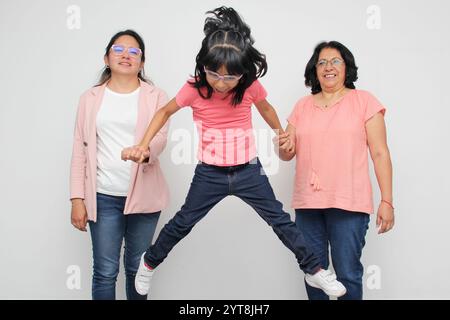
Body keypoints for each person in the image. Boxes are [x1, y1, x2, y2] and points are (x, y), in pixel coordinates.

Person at [122, 7, 346, 298]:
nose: (221, 83)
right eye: (215, 74)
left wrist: (281, 133)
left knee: (280, 221)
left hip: (248, 171)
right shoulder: (194, 88)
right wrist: (143, 144)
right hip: (210, 173)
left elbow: (266, 108)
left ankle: (315, 271)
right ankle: (148, 263)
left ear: (242, 73)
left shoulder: (249, 85)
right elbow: (164, 112)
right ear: (204, 65)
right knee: (183, 222)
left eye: (231, 78)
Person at [274, 41, 395, 299]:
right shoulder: (302, 106)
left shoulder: (364, 101)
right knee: (314, 275)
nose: (328, 67)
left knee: (347, 273)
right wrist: (282, 146)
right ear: (314, 70)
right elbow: (287, 154)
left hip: (349, 204)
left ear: (346, 67)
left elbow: (380, 152)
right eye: (322, 62)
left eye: (335, 61)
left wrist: (387, 200)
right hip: (308, 205)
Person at [69, 29, 170, 300]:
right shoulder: (89, 99)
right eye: (118, 49)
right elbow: (79, 149)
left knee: (138, 269)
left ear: (142, 62)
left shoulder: (156, 97)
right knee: (104, 270)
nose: (126, 55)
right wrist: (77, 198)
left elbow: (161, 138)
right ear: (106, 57)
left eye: (134, 51)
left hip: (144, 196)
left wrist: (144, 152)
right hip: (102, 196)